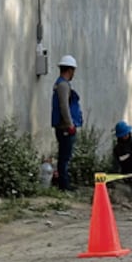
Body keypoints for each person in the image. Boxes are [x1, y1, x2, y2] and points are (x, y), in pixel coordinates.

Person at [51, 55, 83, 192]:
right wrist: (70, 124)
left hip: (64, 126)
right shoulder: (63, 85)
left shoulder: (61, 84)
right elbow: (64, 106)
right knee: (64, 157)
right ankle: (64, 186)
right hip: (65, 127)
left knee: (65, 155)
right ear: (69, 70)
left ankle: (64, 183)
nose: (73, 74)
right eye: (73, 70)